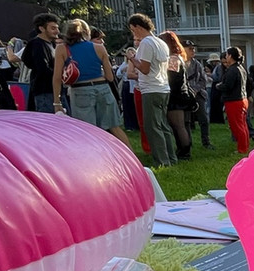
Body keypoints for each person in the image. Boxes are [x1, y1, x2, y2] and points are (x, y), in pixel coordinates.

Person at [52, 19, 132, 148]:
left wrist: (57, 102)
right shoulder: (99, 48)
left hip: (80, 90)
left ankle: (95, 161)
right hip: (103, 89)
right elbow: (110, 77)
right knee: (114, 127)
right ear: (86, 33)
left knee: (88, 130)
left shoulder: (62, 49)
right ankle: (133, 159)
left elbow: (56, 77)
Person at [127, 13, 177, 167]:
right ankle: (171, 157)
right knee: (163, 125)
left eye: (132, 29)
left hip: (151, 89)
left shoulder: (146, 43)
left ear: (137, 27)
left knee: (152, 127)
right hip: (163, 88)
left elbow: (144, 68)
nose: (133, 33)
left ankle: (162, 161)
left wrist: (132, 58)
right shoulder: (160, 42)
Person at [157, 30, 193, 160]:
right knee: (179, 126)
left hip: (176, 95)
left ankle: (184, 151)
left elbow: (172, 78)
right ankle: (183, 149)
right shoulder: (178, 57)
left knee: (179, 126)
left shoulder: (173, 59)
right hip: (180, 94)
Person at [21, 12, 65, 113]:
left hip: (54, 90)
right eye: (53, 28)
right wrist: (60, 75)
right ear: (42, 28)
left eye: (57, 28)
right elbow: (42, 68)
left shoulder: (52, 44)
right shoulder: (37, 44)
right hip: (45, 91)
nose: (57, 31)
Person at [217, 46, 250, 155]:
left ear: (230, 56)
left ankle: (242, 148)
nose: (225, 57)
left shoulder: (232, 69)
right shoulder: (241, 68)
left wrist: (218, 86)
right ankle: (244, 146)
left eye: (226, 55)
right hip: (242, 99)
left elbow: (228, 86)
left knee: (237, 126)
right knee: (243, 125)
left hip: (234, 101)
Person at [182, 40, 213, 149]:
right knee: (186, 121)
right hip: (184, 95)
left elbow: (203, 80)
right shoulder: (178, 63)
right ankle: (187, 143)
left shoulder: (197, 64)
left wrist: (195, 90)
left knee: (203, 119)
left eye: (193, 48)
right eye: (190, 48)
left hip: (198, 94)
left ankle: (206, 142)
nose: (193, 51)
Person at [208, 52, 226, 126]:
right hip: (215, 85)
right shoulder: (217, 67)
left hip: (217, 85)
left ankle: (217, 119)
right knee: (214, 103)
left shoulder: (218, 67)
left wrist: (210, 75)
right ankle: (215, 119)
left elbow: (219, 77)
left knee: (216, 102)